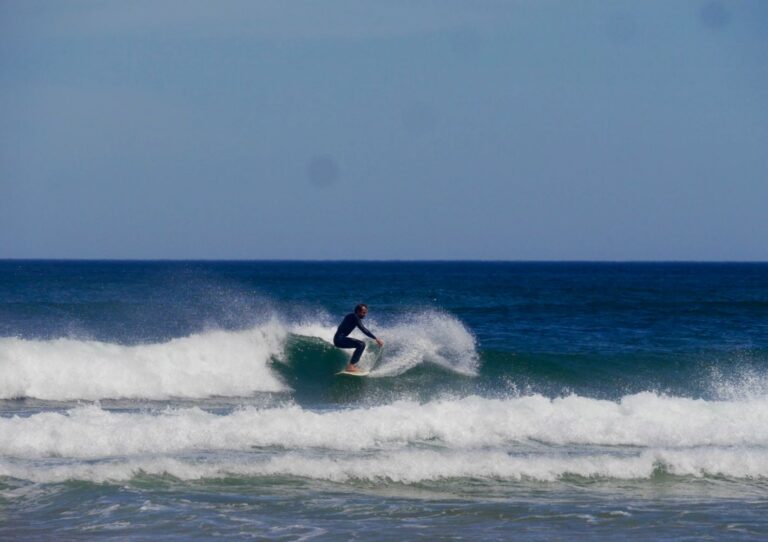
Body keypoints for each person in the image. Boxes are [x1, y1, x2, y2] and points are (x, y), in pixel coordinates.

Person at [334, 304, 384, 372]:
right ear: (358, 311)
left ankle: (352, 365)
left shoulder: (351, 316)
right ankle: (351, 366)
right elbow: (363, 329)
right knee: (361, 344)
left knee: (360, 345)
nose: (365, 314)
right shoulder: (354, 316)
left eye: (366, 313)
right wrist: (376, 338)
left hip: (339, 339)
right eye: (363, 312)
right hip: (339, 340)